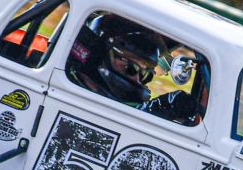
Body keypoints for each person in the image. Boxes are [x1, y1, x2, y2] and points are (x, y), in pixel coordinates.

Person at [67, 13, 200, 126]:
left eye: (145, 75)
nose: (137, 78)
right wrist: (159, 108)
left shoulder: (113, 104)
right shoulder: (66, 89)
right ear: (100, 54)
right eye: (131, 68)